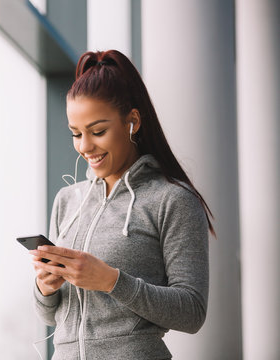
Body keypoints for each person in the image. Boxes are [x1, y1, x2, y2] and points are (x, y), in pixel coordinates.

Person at [30, 50, 213, 360]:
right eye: (76, 133)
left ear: (133, 121)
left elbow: (192, 312)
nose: (85, 146)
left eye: (98, 131)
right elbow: (51, 317)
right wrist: (44, 288)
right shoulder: (67, 201)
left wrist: (111, 281)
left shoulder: (173, 200)